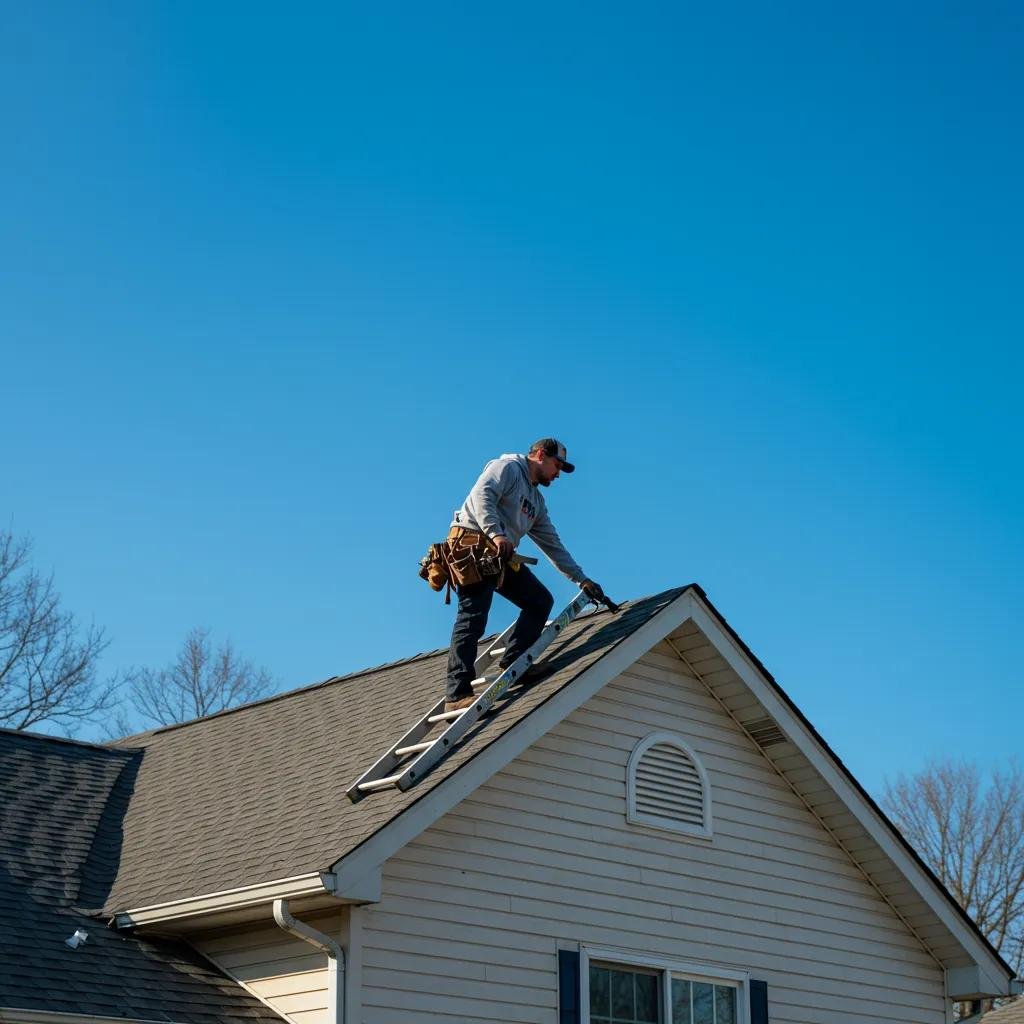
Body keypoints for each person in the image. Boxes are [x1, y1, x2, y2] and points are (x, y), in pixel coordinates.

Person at [443, 438, 605, 712]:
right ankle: (457, 695)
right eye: (556, 465)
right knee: (473, 616)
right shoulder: (507, 468)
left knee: (539, 600)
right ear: (540, 455)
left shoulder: (536, 502)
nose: (557, 473)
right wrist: (496, 534)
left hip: (498, 554)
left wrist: (582, 579)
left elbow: (552, 544)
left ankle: (516, 661)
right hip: (471, 545)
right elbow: (483, 496)